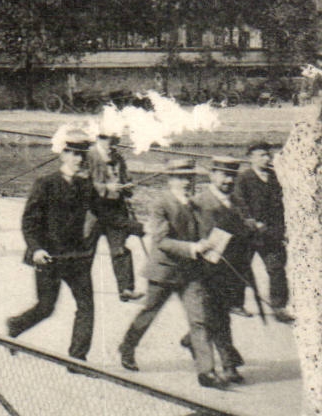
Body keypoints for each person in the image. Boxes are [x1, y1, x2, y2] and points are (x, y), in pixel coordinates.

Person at [116, 160, 225, 387]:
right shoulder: (161, 204)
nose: (186, 182)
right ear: (170, 179)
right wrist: (193, 248)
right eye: (181, 177)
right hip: (164, 271)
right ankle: (127, 346)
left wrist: (210, 243)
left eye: (190, 177)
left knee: (199, 319)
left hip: (191, 272)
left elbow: (204, 230)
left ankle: (206, 372)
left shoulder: (194, 204)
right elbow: (161, 241)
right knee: (149, 313)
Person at [6, 135, 101, 363]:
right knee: (46, 307)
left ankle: (77, 359)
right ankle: (16, 325)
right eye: (74, 154)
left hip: (76, 258)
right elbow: (29, 222)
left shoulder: (86, 185)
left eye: (83, 155)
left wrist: (138, 227)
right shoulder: (46, 183)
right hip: (49, 257)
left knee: (86, 306)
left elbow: (104, 214)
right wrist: (36, 249)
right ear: (63, 155)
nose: (79, 160)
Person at [193, 157, 250, 382]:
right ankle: (229, 365)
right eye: (224, 175)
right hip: (206, 269)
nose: (229, 180)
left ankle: (192, 340)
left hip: (231, 269)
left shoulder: (236, 201)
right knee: (218, 316)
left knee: (218, 315)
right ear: (212, 175)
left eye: (232, 175)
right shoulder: (199, 202)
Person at [233, 141, 292, 322]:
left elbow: (282, 205)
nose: (266, 159)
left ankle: (279, 307)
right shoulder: (243, 178)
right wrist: (251, 222)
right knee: (242, 267)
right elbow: (239, 204)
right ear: (251, 158)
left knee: (276, 269)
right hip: (249, 234)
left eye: (268, 155)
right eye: (261, 155)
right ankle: (236, 304)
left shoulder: (275, 178)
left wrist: (283, 230)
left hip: (271, 234)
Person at [87, 127, 141, 301]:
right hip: (93, 211)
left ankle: (126, 289)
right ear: (100, 139)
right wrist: (105, 187)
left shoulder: (117, 157)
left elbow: (126, 177)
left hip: (116, 210)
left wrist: (128, 186)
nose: (113, 145)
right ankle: (77, 286)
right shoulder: (88, 156)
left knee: (120, 249)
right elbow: (81, 183)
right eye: (111, 141)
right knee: (86, 249)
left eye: (115, 141)